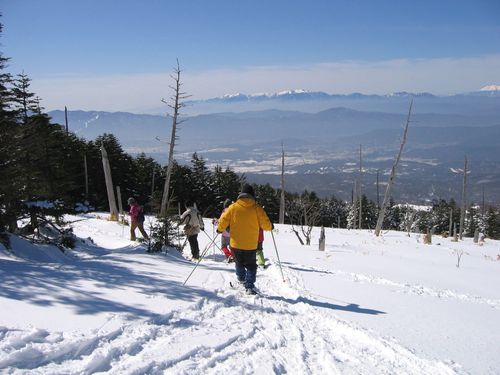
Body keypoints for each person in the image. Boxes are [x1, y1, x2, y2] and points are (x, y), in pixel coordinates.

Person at [217, 184, 273, 294]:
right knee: (251, 265)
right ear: (252, 195)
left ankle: (241, 279)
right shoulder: (257, 208)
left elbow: (223, 220)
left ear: (240, 195)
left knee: (239, 263)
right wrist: (271, 226)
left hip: (235, 243)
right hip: (251, 244)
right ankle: (249, 286)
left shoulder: (233, 207)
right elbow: (266, 224)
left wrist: (219, 229)